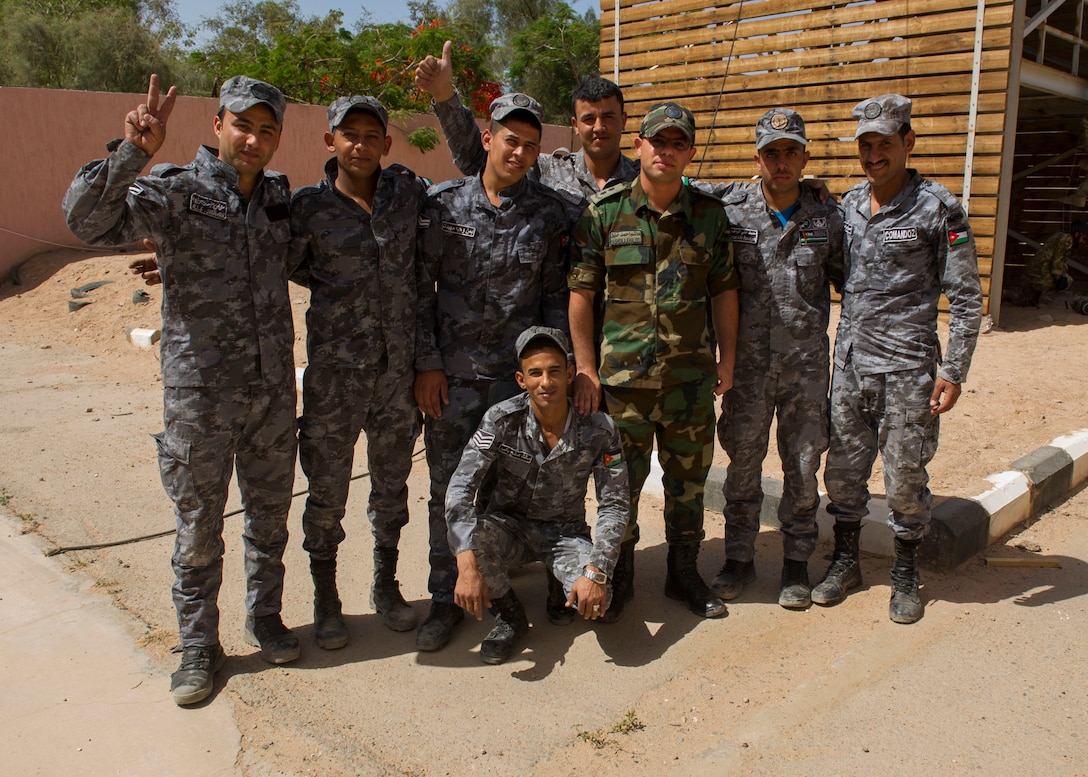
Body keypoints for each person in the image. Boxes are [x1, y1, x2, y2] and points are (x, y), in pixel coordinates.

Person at [63, 74, 300, 706]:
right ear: (217, 124)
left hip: (272, 389)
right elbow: (86, 220)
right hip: (201, 392)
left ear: (278, 138)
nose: (253, 138)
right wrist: (132, 151)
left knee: (270, 516)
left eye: (267, 129)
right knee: (198, 521)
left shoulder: (279, 199)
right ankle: (198, 645)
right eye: (242, 124)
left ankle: (267, 615)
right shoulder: (174, 191)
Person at [568, 102, 740, 622]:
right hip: (623, 386)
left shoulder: (709, 216)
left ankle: (683, 571)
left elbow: (725, 291)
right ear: (638, 144)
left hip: (689, 382)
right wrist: (585, 369)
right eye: (656, 141)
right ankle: (620, 575)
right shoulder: (604, 212)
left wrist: (727, 360)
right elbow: (581, 293)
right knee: (619, 485)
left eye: (676, 143)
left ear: (689, 151)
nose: (665, 151)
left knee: (687, 485)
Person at [816, 94, 983, 624]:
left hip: (909, 371)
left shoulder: (938, 207)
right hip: (850, 367)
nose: (874, 154)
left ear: (908, 142)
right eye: (866, 145)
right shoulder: (846, 205)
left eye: (884, 143)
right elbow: (839, 271)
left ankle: (906, 572)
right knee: (842, 472)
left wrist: (953, 370)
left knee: (905, 477)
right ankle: (846, 561)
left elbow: (966, 295)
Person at [414, 92, 571, 652]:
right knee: (447, 491)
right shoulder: (442, 205)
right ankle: (443, 599)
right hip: (452, 381)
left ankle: (506, 601)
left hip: (516, 385)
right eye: (511, 139)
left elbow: (554, 300)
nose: (520, 152)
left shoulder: (549, 212)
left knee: (515, 493)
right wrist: (428, 364)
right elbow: (419, 294)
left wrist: (555, 377)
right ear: (487, 139)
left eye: (532, 145)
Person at [288, 96, 429, 649]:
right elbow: (284, 262)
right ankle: (326, 598)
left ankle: (386, 584)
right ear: (330, 141)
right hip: (334, 380)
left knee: (391, 488)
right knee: (326, 492)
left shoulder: (407, 197)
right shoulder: (307, 209)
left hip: (396, 380)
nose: (361, 144)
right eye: (350, 134)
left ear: (386, 144)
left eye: (373, 135)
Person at [704, 109, 844, 609]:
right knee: (742, 465)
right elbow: (667, 177)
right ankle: (738, 558)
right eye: (771, 153)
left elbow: (849, 282)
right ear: (757, 158)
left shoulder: (830, 218)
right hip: (746, 369)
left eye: (790, 152)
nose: (781, 162)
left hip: (805, 371)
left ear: (805, 156)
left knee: (803, 467)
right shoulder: (730, 208)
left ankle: (795, 565)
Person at [445, 327, 629, 664]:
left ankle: (557, 587)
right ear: (521, 379)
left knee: (600, 601)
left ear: (570, 374)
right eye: (536, 373)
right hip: (509, 526)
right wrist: (465, 562)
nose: (546, 382)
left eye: (555, 371)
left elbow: (614, 504)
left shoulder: (599, 429)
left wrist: (597, 571)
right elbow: (461, 487)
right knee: (475, 540)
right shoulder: (501, 421)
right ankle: (510, 618)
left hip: (564, 534)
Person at [414, 41, 640, 208]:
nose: (599, 127)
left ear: (624, 120)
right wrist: (443, 94)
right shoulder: (547, 170)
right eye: (589, 119)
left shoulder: (644, 179)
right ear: (575, 125)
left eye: (608, 117)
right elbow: (477, 159)